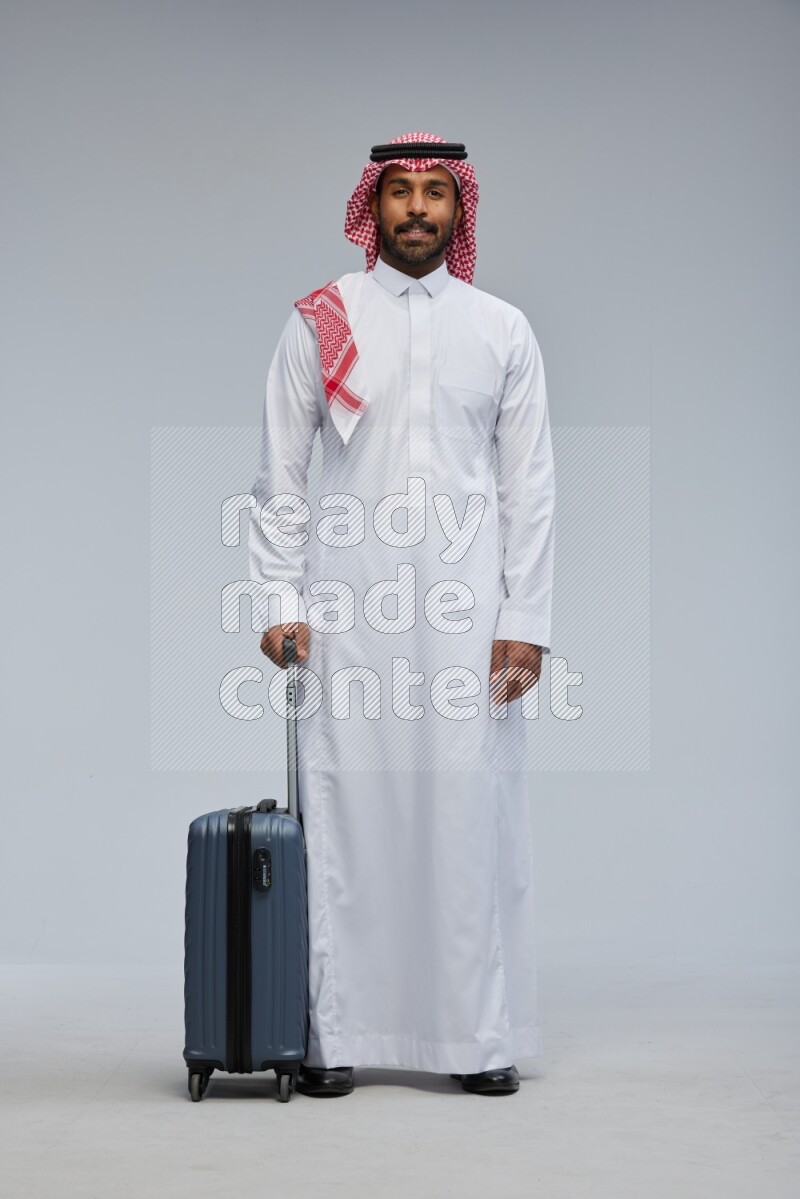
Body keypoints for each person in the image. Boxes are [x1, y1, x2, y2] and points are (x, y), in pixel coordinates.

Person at [248, 131, 556, 1097]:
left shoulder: (502, 328)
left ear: (459, 211)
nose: (417, 210)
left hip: (471, 621)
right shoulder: (323, 320)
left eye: (435, 194)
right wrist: (279, 599)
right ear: (370, 208)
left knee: (468, 813)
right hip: (350, 608)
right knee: (348, 810)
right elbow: (279, 478)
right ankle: (335, 1034)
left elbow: (530, 489)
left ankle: (475, 1035)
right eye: (400, 193)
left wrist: (527, 619)